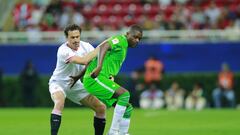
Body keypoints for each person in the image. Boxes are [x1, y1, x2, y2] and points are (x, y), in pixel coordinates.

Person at [82, 24, 143, 135]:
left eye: (139, 39)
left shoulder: (124, 46)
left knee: (127, 108)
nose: (137, 40)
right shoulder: (120, 40)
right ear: (128, 34)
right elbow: (104, 46)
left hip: (104, 78)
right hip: (95, 78)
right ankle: (113, 132)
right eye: (135, 37)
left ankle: (123, 133)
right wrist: (99, 67)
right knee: (125, 94)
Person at [48, 24, 106, 135]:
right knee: (59, 102)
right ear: (67, 38)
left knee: (101, 108)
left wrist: (108, 74)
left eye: (77, 37)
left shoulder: (86, 46)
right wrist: (103, 46)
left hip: (75, 84)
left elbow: (95, 64)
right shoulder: (63, 50)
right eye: (72, 37)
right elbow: (84, 61)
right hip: (58, 83)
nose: (75, 40)